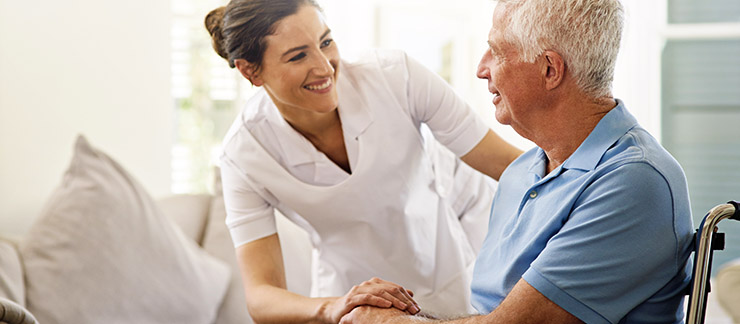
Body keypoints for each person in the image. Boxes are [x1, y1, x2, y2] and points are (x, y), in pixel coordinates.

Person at [339, 0, 694, 323]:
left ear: (550, 69)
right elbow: (492, 312)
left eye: (496, 51)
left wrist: (391, 322)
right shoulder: (521, 173)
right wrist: (399, 312)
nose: (482, 68)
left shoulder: (635, 181)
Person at [205, 0, 523, 323]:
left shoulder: (394, 76)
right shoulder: (244, 154)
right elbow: (260, 296)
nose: (325, 67)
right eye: (298, 55)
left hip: (448, 274)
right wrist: (334, 306)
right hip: (353, 305)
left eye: (326, 42)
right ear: (250, 70)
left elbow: (513, 167)